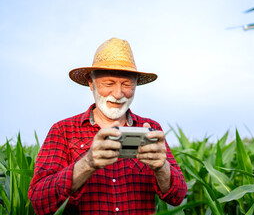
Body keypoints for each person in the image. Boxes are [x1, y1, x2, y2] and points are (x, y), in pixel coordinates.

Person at [28, 38, 187, 214]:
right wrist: (87, 164)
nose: (118, 94)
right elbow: (39, 201)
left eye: (127, 84)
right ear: (91, 82)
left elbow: (177, 196)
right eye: (108, 84)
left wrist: (161, 167)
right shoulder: (63, 130)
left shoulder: (149, 128)